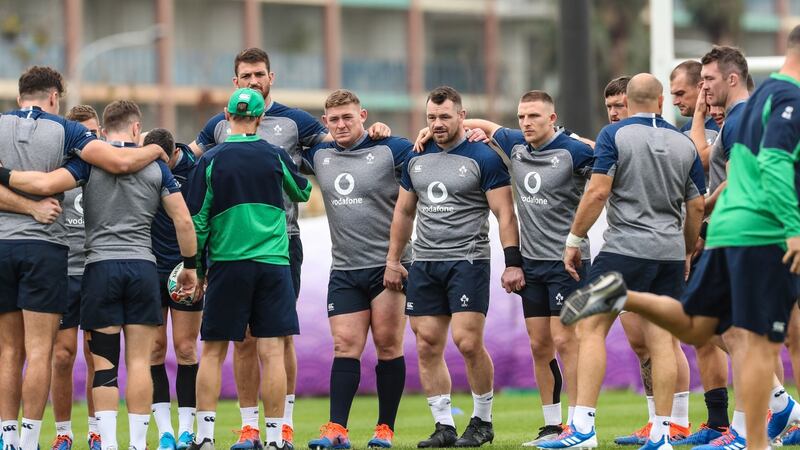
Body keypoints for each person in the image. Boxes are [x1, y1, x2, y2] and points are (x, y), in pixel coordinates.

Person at [559, 26, 800, 450]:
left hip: (732, 232)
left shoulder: (754, 106)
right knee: (736, 334)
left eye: (703, 83)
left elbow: (747, 168)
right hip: (731, 236)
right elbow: (754, 169)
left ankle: (763, 418)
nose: (697, 94)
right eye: (694, 86)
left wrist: (709, 209)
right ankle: (745, 427)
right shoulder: (759, 108)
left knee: (711, 330)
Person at [189, 48, 388, 450]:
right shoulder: (217, 129)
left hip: (283, 244)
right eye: (245, 75)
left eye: (259, 74)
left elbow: (338, 145)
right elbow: (185, 159)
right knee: (251, 341)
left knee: (277, 341)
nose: (252, 81)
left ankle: (283, 425)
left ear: (270, 77)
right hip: (263, 253)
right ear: (236, 82)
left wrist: (379, 134)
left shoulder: (296, 121)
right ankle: (252, 428)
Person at [1, 99, 198, 450]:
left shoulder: (87, 166)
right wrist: (190, 267)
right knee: (139, 363)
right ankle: (137, 444)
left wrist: (6, 176)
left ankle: (106, 443)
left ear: (103, 133)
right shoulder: (157, 168)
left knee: (104, 366)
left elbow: (45, 184)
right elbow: (183, 220)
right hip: (142, 268)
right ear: (137, 128)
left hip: (99, 269)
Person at [540, 73, 706, 450]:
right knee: (663, 340)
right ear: (661, 101)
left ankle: (583, 428)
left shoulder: (613, 135)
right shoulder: (684, 143)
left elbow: (598, 191)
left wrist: (574, 238)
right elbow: (695, 205)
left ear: (628, 103)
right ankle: (663, 432)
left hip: (624, 250)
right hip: (667, 254)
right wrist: (683, 249)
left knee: (590, 328)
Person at [427, 90, 592, 446]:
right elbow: (477, 123)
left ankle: (580, 427)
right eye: (522, 117)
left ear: (553, 118)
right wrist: (428, 132)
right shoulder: (516, 145)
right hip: (532, 263)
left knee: (567, 341)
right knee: (540, 345)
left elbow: (610, 164)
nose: (527, 123)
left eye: (534, 116)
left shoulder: (573, 151)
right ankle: (552, 425)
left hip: (569, 261)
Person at [384, 86, 525, 448]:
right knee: (427, 342)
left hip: (468, 260)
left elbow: (505, 213)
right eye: (431, 117)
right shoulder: (416, 157)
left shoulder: (484, 157)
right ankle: (444, 425)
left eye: (445, 116)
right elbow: (403, 211)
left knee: (466, 341)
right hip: (426, 263)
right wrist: (394, 259)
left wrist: (512, 263)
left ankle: (482, 420)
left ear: (462, 116)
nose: (437, 124)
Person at [186, 88, 311, 450]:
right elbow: (302, 191)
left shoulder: (210, 160)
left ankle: (205, 437)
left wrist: (195, 267)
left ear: (226, 115)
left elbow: (198, 220)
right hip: (273, 264)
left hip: (227, 264)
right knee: (271, 351)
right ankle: (274, 440)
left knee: (212, 351)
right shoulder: (275, 155)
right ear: (259, 118)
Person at [301, 89, 411, 449]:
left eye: (348, 117)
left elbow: (428, 155)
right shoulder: (319, 154)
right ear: (325, 123)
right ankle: (337, 430)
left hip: (388, 269)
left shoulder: (390, 148)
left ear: (362, 115)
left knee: (387, 345)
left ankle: (385, 429)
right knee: (344, 344)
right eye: (333, 119)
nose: (341, 124)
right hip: (345, 269)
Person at [599, 75, 693, 447]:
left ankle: (678, 421)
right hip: (656, 251)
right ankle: (659, 424)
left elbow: (692, 198)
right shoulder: (615, 140)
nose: (614, 113)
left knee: (672, 341)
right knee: (644, 342)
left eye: (619, 106)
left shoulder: (659, 139)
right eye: (608, 108)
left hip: (653, 250)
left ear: (637, 103)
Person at [667, 61, 731, 447]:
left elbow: (701, 160)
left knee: (737, 332)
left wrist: (701, 225)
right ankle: (720, 420)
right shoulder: (689, 128)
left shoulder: (715, 126)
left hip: (722, 238)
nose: (676, 101)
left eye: (681, 93)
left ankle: (777, 407)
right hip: (706, 237)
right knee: (706, 333)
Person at [49, 105, 101, 450]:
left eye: (93, 133)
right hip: (64, 272)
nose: (89, 139)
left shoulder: (109, 169)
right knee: (63, 355)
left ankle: (97, 431)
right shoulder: (56, 172)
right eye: (82, 133)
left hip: (98, 270)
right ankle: (64, 433)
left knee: (98, 355)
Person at [147, 129, 202, 450]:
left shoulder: (196, 172)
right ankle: (165, 432)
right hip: (150, 271)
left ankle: (186, 430)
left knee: (185, 348)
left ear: (170, 156)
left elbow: (203, 221)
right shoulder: (143, 168)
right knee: (154, 349)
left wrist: (200, 269)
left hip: (187, 270)